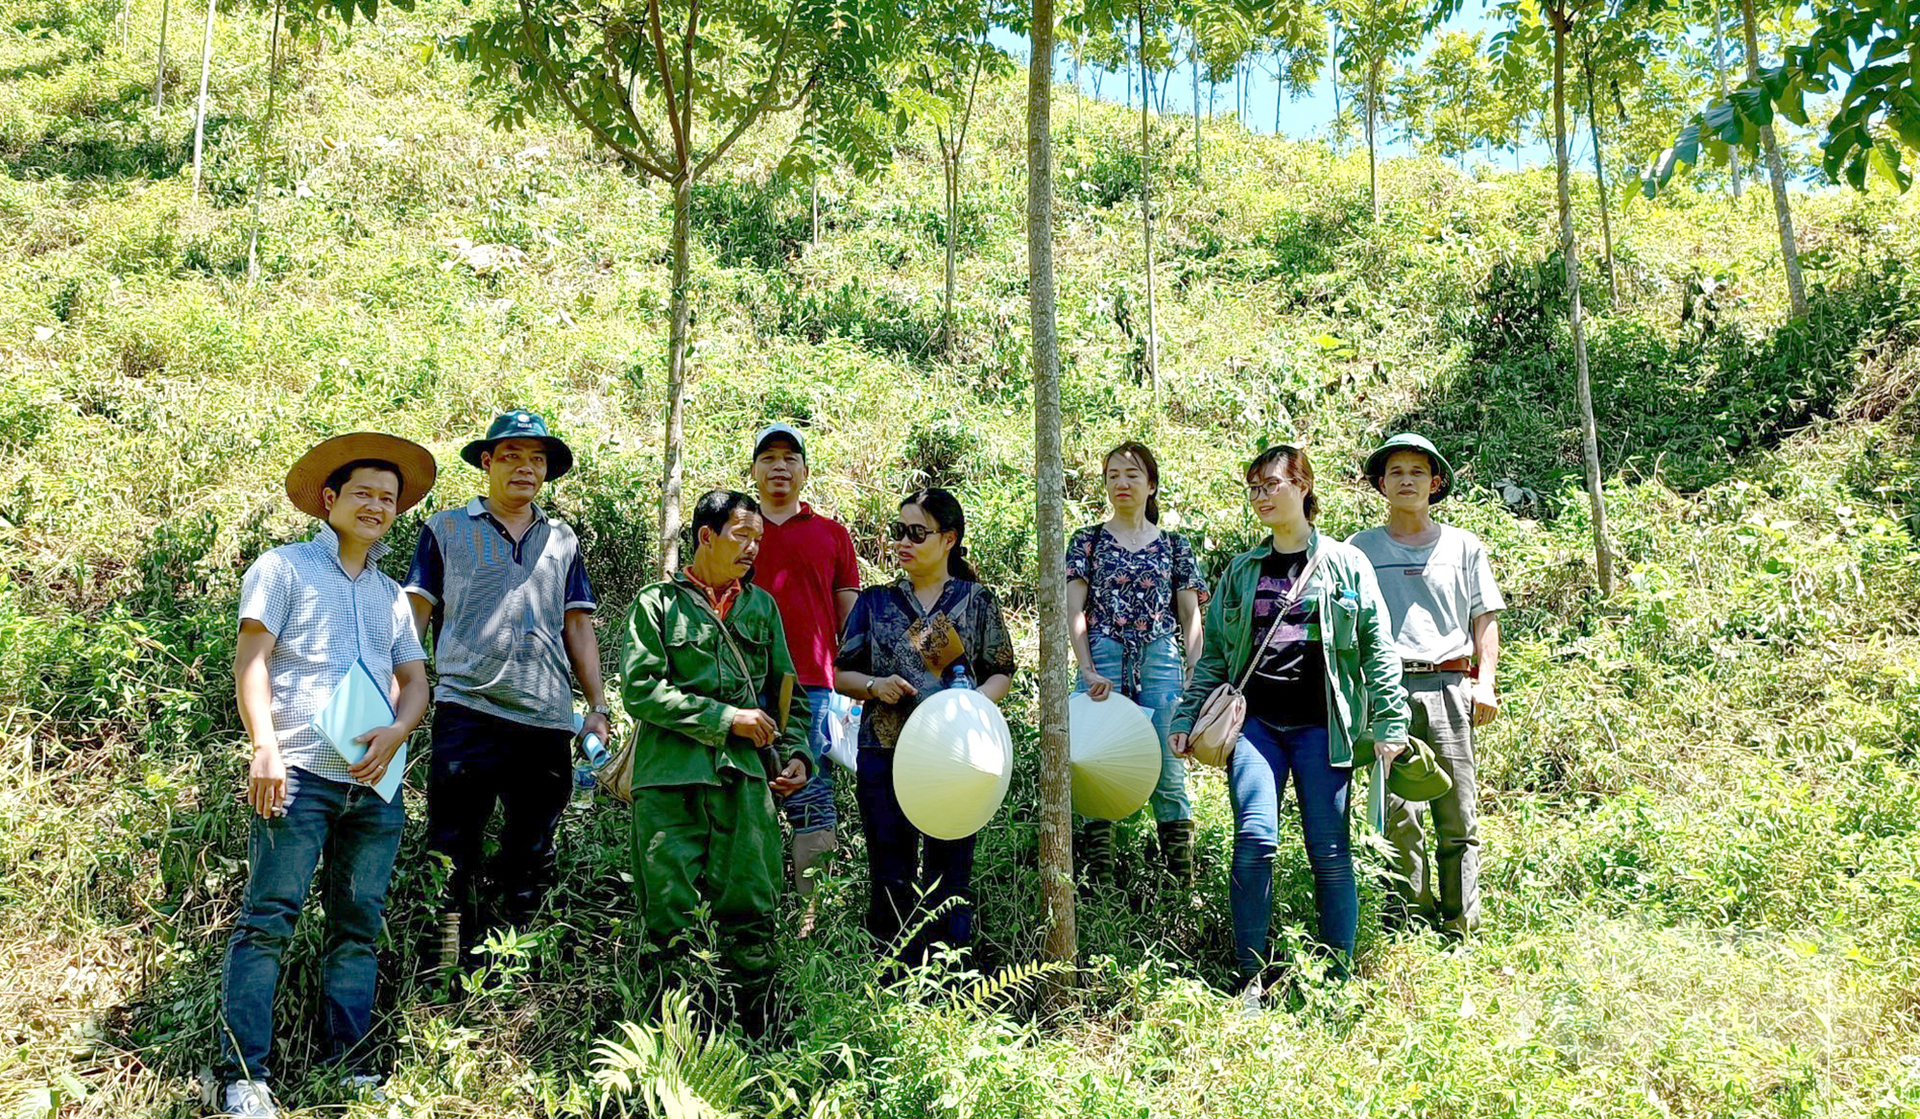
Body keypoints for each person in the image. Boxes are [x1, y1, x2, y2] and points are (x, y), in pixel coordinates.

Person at [219, 434, 436, 1119]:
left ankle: (349, 1065)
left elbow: (415, 680)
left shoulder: (391, 595)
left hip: (375, 782)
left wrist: (400, 729)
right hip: (299, 771)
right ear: (330, 499)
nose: (377, 506)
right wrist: (264, 746)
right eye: (364, 493)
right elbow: (251, 660)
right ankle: (243, 1075)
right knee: (268, 920)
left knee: (357, 924)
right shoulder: (282, 569)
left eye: (389, 498)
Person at [1170, 445, 1407, 1014]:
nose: (1261, 496)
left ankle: (1337, 979)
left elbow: (1378, 647)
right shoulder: (1242, 570)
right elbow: (1218, 657)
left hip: (1324, 730)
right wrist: (1185, 716)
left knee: (1330, 851)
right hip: (1258, 729)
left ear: (1301, 486)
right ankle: (1251, 978)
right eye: (1253, 488)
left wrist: (1391, 722)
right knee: (1254, 842)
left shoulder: (1347, 565)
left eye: (1271, 484)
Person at [402, 411, 609, 965]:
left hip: (545, 720)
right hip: (466, 709)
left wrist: (596, 705)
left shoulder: (562, 539)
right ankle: (443, 971)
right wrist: (395, 692)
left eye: (536, 458)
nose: (526, 467)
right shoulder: (446, 528)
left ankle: (514, 975)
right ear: (487, 462)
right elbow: (413, 617)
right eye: (512, 455)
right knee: (450, 848)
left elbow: (578, 627)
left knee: (532, 848)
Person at [618, 490, 812, 1025]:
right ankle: (676, 1044)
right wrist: (727, 720)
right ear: (707, 536)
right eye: (741, 535)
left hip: (747, 782)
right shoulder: (657, 603)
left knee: (751, 908)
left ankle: (756, 1041)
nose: (753, 547)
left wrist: (795, 756)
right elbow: (640, 690)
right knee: (669, 913)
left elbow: (786, 696)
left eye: (759, 539)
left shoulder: (761, 607)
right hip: (669, 782)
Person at [834, 488, 1016, 964]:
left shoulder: (975, 601)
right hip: (885, 750)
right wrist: (875, 686)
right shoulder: (875, 603)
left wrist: (971, 707)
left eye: (917, 532)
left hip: (957, 760)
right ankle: (892, 977)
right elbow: (840, 672)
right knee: (890, 871)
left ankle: (949, 977)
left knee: (950, 871)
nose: (904, 543)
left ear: (949, 538)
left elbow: (1001, 669)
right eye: (899, 532)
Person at [1348, 433, 1504, 937]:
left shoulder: (1464, 546)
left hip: (1450, 687)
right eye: (1396, 472)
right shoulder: (1359, 549)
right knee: (1399, 817)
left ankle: (1462, 926)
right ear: (1381, 485)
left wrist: (1485, 682)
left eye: (1418, 472)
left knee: (1457, 812)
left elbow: (1485, 619)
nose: (1407, 480)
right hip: (1386, 692)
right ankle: (1410, 922)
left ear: (1435, 484)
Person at [1066, 442, 1207, 888]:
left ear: (1151, 484)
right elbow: (1075, 611)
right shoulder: (1086, 541)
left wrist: (1192, 669)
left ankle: (1178, 885)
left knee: (1169, 764)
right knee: (1094, 756)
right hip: (1103, 655)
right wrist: (1086, 668)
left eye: (1132, 474)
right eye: (1112, 475)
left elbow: (1189, 614)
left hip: (1161, 658)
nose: (1122, 483)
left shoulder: (1174, 545)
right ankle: (1098, 880)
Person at [745, 423, 860, 921]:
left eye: (790, 458)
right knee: (748, 790)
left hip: (813, 685)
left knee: (810, 792)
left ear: (805, 472)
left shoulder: (831, 534)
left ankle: (810, 920)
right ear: (753, 471)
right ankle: (755, 916)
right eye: (768, 457)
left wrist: (853, 683)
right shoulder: (737, 531)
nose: (779, 467)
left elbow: (848, 615)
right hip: (741, 684)